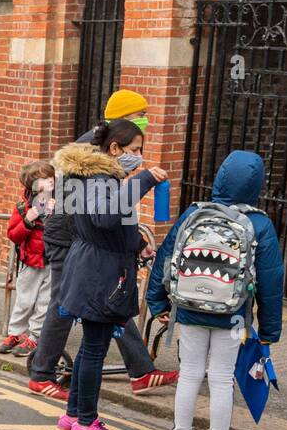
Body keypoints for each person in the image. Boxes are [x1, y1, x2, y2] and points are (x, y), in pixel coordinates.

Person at [27, 95, 176, 400]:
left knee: (113, 301)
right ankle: (42, 374)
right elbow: (101, 211)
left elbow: (110, 207)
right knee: (65, 304)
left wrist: (135, 242)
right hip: (72, 238)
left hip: (87, 239)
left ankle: (141, 371)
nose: (146, 120)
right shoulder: (93, 153)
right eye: (141, 115)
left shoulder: (106, 149)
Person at [147, 150, 283, 430]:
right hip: (233, 316)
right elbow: (272, 280)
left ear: (221, 177)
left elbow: (166, 258)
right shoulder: (259, 224)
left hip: (190, 310)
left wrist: (158, 303)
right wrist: (269, 331)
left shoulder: (194, 214)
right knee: (222, 378)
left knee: (190, 373)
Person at [52, 119, 165, 430]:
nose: (139, 157)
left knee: (90, 347)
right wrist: (143, 180)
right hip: (100, 273)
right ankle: (87, 422)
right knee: (94, 351)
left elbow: (101, 226)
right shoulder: (103, 179)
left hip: (90, 266)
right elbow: (105, 217)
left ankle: (73, 416)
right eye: (134, 150)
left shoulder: (86, 176)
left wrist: (134, 245)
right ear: (114, 149)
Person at [0, 161, 55, 357]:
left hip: (52, 262)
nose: (50, 182)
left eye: (51, 178)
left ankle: (35, 337)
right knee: (24, 300)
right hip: (29, 262)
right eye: (44, 179)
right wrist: (28, 220)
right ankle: (16, 333)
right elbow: (13, 235)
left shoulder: (60, 203)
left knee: (44, 303)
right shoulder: (23, 207)